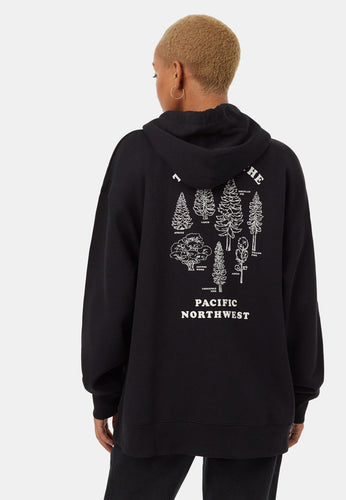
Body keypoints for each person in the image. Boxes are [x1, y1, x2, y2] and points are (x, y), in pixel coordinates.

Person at [81, 14, 324, 500]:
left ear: (176, 74)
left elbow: (111, 285)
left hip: (154, 396)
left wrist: (104, 388)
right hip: (256, 400)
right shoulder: (280, 164)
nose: (156, 83)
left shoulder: (136, 156)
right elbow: (298, 290)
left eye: (154, 73)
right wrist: (299, 393)